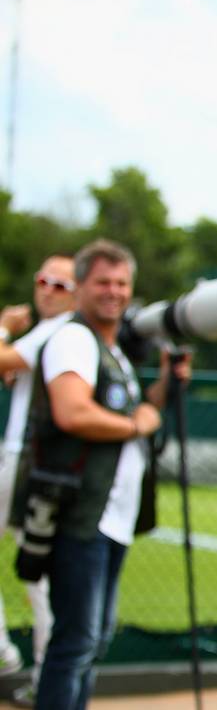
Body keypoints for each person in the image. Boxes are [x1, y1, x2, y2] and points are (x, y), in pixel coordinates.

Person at [15, 239, 186, 710]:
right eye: (102, 282)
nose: (113, 291)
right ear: (80, 289)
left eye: (121, 282)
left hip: (110, 516)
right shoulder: (73, 338)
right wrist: (135, 424)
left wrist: (169, 382)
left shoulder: (113, 350)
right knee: (75, 641)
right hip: (79, 512)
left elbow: (140, 412)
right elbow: (73, 413)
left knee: (91, 640)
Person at [0, 255, 77, 703]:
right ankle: (44, 668)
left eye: (60, 284)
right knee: (37, 570)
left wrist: (4, 325)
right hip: (31, 461)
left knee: (38, 568)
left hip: (27, 461)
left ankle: (15, 657)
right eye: (42, 280)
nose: (48, 290)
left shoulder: (56, 331)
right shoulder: (55, 333)